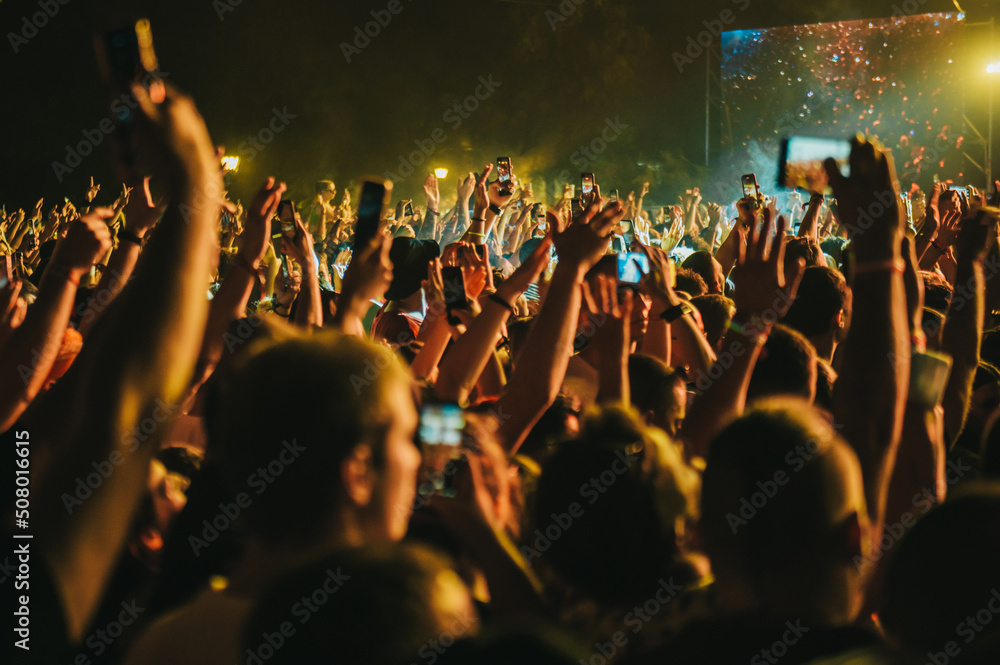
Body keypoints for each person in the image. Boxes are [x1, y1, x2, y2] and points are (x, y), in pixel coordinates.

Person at [122, 334, 421, 665]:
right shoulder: (384, 645)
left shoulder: (167, 640)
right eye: (408, 437)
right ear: (359, 471)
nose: (417, 459)